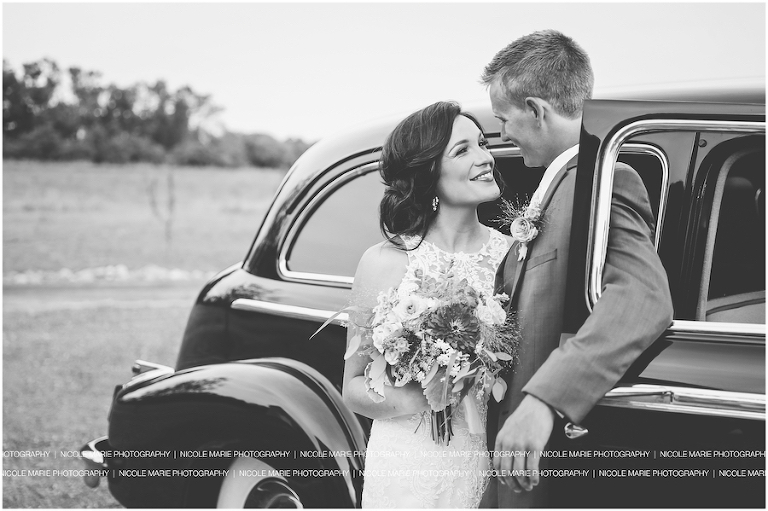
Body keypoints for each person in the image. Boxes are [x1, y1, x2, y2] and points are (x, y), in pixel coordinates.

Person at [480, 30, 674, 507]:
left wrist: (545, 401)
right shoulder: (561, 184)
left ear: (536, 110)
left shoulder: (608, 182)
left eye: (504, 119)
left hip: (545, 456)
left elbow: (643, 298)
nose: (503, 134)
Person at [342, 100, 513, 508]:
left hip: (480, 462)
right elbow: (352, 387)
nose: (485, 158)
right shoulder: (385, 261)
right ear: (428, 173)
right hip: (406, 471)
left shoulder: (512, 257)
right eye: (463, 150)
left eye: (483, 143)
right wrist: (432, 392)